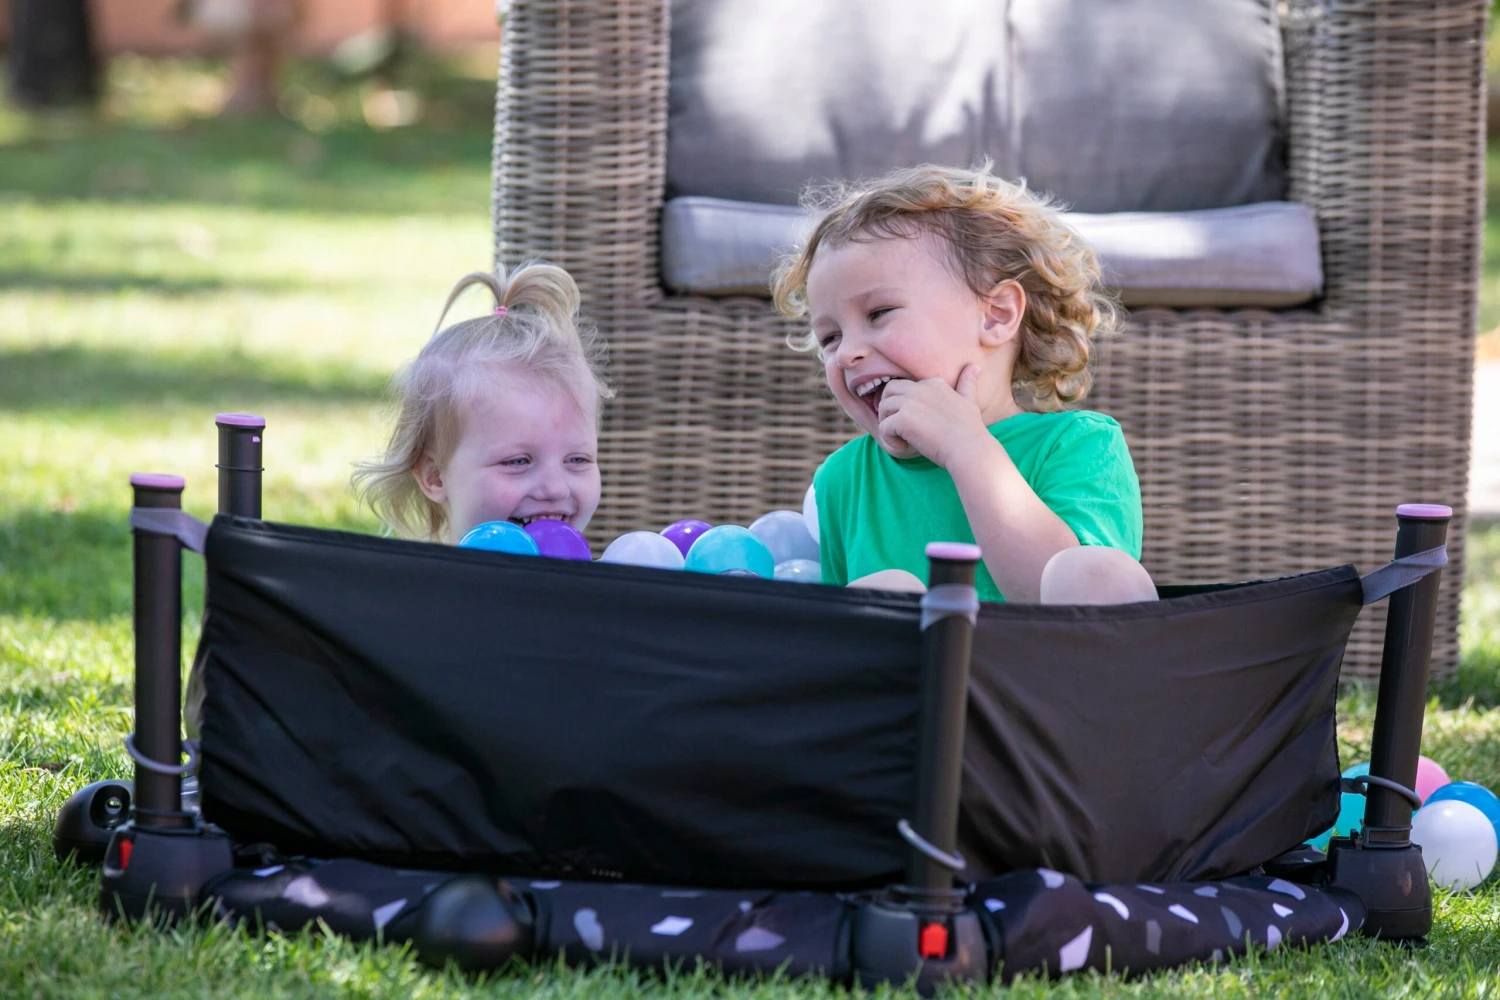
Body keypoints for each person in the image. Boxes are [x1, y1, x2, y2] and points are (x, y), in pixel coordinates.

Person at [772, 164, 1155, 604]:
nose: (846, 353)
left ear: (996, 316)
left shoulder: (1077, 445)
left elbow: (1075, 599)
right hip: (904, 651)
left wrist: (966, 447)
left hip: (1051, 649)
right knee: (885, 591)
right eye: (830, 337)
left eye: (879, 313)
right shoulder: (843, 480)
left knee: (1092, 569)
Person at [353, 265, 611, 544]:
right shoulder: (420, 575)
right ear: (435, 476)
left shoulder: (606, 572)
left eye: (577, 460)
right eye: (518, 461)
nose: (555, 489)